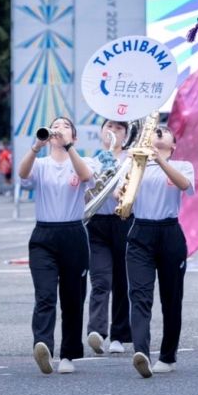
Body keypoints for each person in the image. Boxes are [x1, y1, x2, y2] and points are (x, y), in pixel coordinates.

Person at [18, 117, 95, 374]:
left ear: (73, 134)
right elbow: (22, 174)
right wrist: (36, 146)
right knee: (45, 294)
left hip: (73, 233)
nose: (58, 128)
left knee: (73, 298)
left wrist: (69, 147)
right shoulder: (40, 164)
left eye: (64, 125)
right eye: (55, 125)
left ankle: (68, 355)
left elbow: (86, 176)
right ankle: (43, 345)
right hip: (44, 235)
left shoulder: (82, 162)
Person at [123, 125, 194, 378]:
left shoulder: (183, 165)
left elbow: (184, 185)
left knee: (171, 299)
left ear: (173, 145)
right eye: (155, 131)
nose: (158, 133)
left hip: (170, 233)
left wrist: (159, 160)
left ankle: (168, 355)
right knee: (140, 295)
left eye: (164, 132)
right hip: (140, 232)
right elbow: (122, 200)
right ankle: (141, 351)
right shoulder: (134, 164)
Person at [86, 119, 131, 357]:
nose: (113, 132)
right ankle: (96, 330)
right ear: (101, 132)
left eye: (118, 128)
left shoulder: (132, 159)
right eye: (109, 127)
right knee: (100, 279)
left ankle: (120, 334)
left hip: (124, 221)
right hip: (98, 224)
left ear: (125, 134)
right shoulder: (91, 161)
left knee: (123, 280)